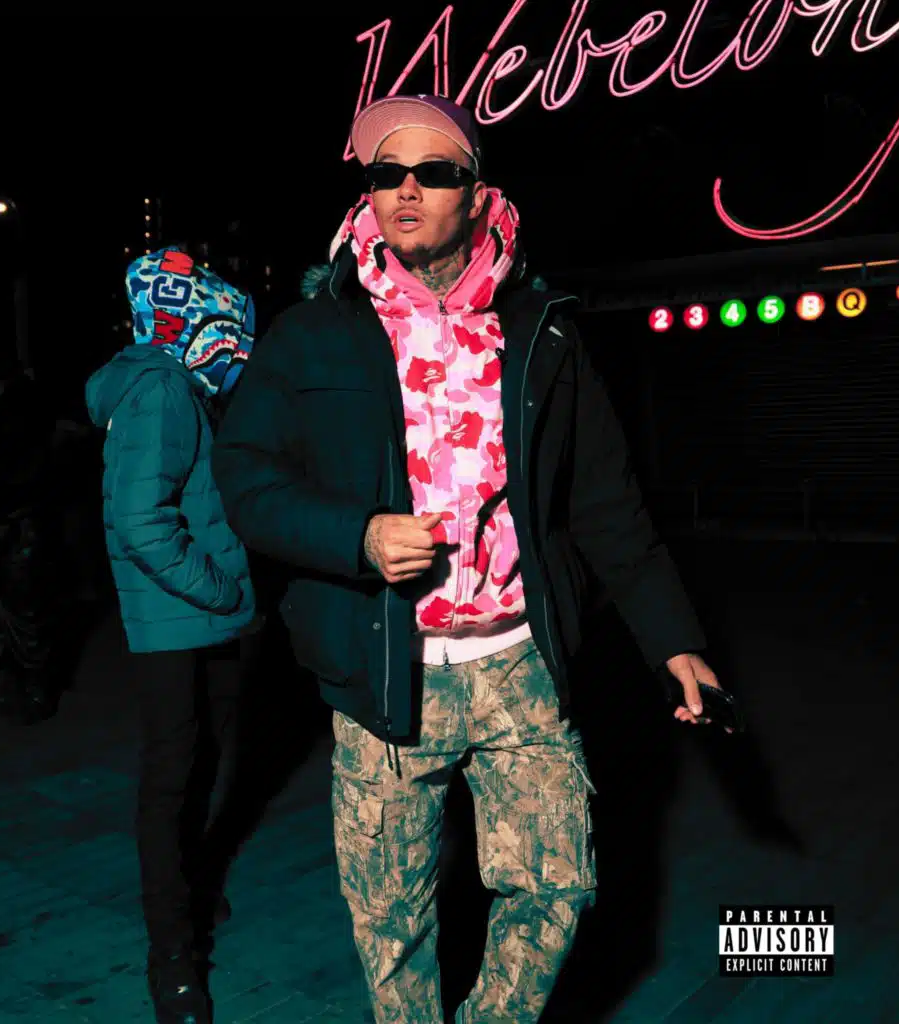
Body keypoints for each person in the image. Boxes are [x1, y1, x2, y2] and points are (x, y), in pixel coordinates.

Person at [212, 95, 724, 1024]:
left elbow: (605, 504)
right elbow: (245, 479)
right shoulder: (313, 332)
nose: (406, 190)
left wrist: (673, 638)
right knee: (391, 920)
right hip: (384, 668)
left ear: (479, 195)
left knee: (556, 886)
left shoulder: (544, 334)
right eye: (386, 173)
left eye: (435, 172)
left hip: (519, 663)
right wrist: (357, 535)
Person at [86, 247, 258, 1024]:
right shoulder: (160, 387)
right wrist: (221, 588)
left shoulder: (170, 381)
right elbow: (138, 521)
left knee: (199, 767)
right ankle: (173, 958)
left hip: (198, 619)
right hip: (178, 620)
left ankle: (189, 894)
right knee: (170, 782)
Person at [0, 372, 66, 724]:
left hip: (19, 538)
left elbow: (11, 485)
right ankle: (19, 687)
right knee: (7, 616)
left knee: (25, 618)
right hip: (8, 538)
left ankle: (34, 693)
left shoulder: (14, 439)